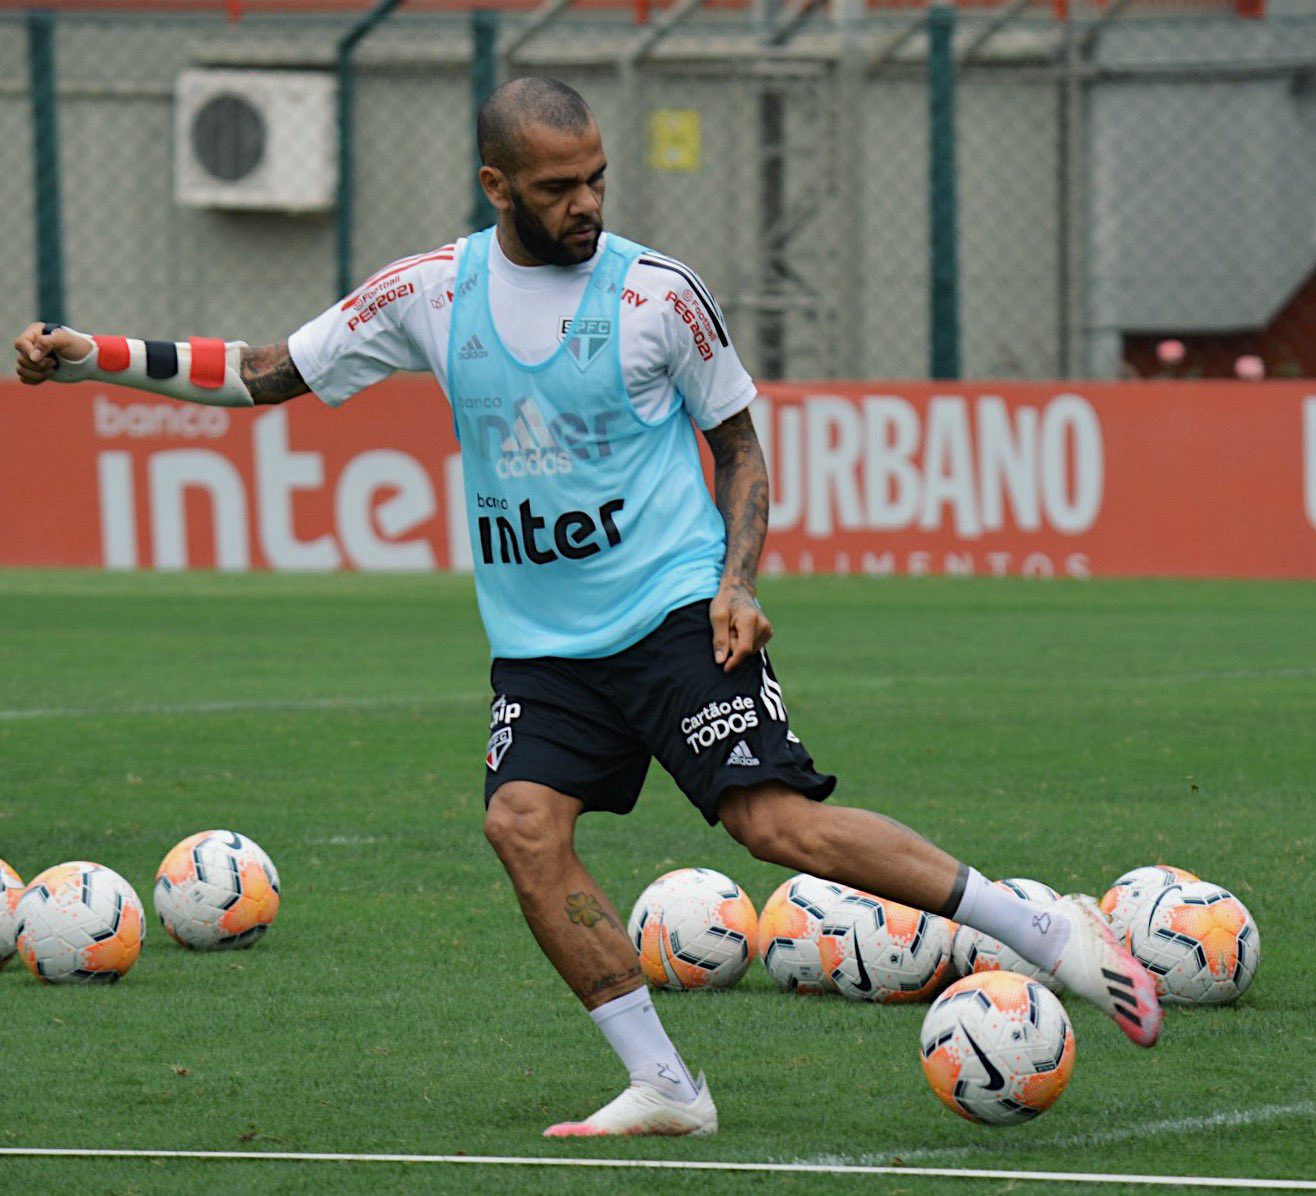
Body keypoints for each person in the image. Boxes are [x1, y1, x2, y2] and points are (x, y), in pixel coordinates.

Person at [14, 76, 1160, 1139]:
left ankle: (1044, 928)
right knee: (520, 828)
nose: (586, 203)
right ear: (496, 185)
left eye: (597, 177)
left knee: (773, 827)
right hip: (541, 649)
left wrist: (737, 581)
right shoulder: (428, 292)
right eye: (558, 185)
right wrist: (89, 356)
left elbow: (740, 447)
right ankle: (666, 1084)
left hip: (674, 614)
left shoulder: (659, 294)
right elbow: (267, 371)